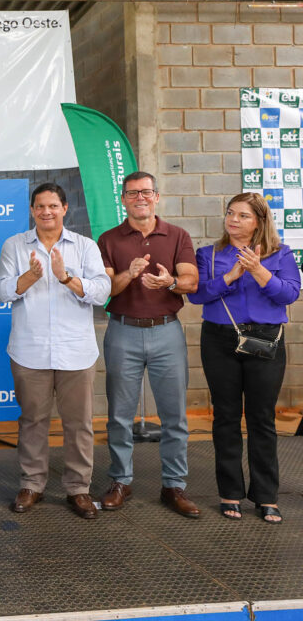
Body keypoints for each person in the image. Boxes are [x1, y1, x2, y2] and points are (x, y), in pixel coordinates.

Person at [0, 183, 110, 519]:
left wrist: (66, 278)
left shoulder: (85, 246)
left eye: (53, 206)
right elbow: (1, 290)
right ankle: (32, 484)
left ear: (64, 208)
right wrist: (30, 277)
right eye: (40, 206)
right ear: (32, 210)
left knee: (79, 424)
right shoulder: (15, 245)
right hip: (30, 350)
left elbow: (102, 291)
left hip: (76, 351)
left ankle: (78, 488)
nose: (46, 212)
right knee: (32, 421)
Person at [187, 193, 300, 524]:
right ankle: (229, 493)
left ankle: (266, 496)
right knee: (225, 416)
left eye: (243, 215)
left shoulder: (281, 254)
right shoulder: (208, 255)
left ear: (259, 221)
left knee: (261, 418)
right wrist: (231, 276)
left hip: (265, 340)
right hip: (219, 340)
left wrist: (258, 270)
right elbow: (197, 295)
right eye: (230, 213)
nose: (233, 220)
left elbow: (290, 293)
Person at [97, 171, 200, 518]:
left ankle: (174, 485)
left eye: (146, 192)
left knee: (174, 416)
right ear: (123, 200)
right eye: (132, 193)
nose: (139, 198)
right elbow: (107, 290)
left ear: (156, 196)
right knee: (119, 415)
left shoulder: (177, 235)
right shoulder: (108, 240)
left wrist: (170, 282)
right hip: (122, 331)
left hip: (166, 331)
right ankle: (120, 481)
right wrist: (130, 273)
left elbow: (191, 281)